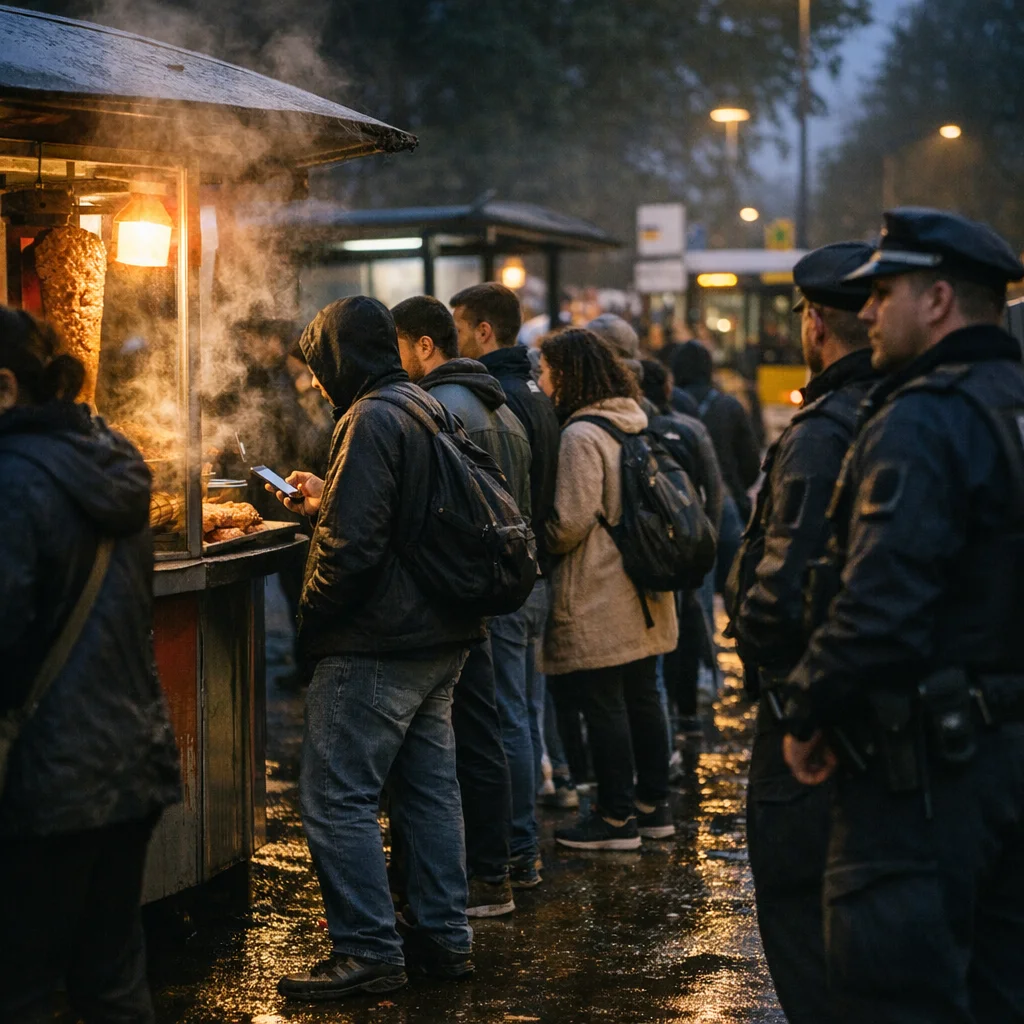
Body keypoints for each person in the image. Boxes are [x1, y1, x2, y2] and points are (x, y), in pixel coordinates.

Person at [782, 209, 1024, 1022]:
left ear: (942, 298)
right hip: (1008, 753)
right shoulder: (1011, 403)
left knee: (895, 991)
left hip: (923, 776)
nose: (870, 312)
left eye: (886, 292)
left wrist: (809, 707)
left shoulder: (923, 416)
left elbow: (881, 605)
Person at [270, 296, 481, 999]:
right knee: (428, 793)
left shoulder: (371, 418)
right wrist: (329, 497)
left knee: (337, 797)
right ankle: (443, 940)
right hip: (438, 636)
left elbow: (353, 550)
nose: (317, 384)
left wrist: (313, 621)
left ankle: (366, 949)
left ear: (342, 358)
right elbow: (394, 515)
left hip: (379, 641)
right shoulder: (423, 406)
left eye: (319, 367)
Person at [0, 307, 182, 1024]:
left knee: (19, 989)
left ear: (6, 386)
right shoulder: (112, 459)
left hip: (47, 780)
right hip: (129, 765)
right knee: (110, 981)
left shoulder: (12, 479)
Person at [731, 242, 877, 1024]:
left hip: (806, 703)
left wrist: (779, 680)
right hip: (872, 695)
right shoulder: (902, 408)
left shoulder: (822, 429)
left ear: (816, 324)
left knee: (797, 900)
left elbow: (779, 587)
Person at [392, 294, 535, 911]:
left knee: (465, 740)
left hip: (454, 595)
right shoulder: (502, 411)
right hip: (494, 587)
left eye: (398, 346)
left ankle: (480, 876)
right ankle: (500, 866)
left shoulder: (436, 411)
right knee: (490, 729)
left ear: (425, 345)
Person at [538, 328, 679, 850]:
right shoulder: (632, 422)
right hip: (644, 586)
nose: (543, 382)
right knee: (643, 695)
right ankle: (654, 805)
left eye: (547, 372)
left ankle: (615, 817)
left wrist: (540, 535)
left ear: (569, 374)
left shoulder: (581, 435)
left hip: (602, 585)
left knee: (604, 702)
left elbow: (569, 522)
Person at [449, 284, 572, 810]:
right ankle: (525, 840)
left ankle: (516, 848)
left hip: (509, 577)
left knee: (507, 719)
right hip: (536, 573)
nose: (453, 344)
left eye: (457, 331)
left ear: (484, 331)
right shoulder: (535, 391)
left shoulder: (495, 395)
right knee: (524, 710)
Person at [637, 356, 725, 744]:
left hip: (653, 551)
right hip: (691, 545)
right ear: (668, 389)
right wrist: (707, 538)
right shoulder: (691, 429)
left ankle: (671, 722)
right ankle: (687, 713)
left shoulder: (641, 432)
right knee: (689, 627)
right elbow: (715, 490)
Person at [671, 340, 760, 595]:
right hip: (727, 503)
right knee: (735, 584)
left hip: (682, 506)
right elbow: (751, 463)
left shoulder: (670, 407)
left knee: (697, 590)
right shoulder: (729, 406)